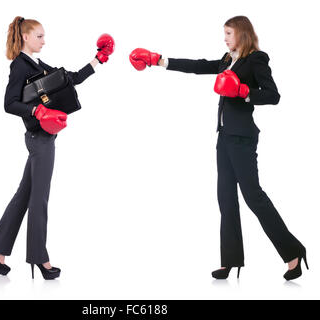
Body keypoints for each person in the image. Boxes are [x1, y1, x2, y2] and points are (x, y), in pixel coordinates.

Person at [129, 15, 308, 281]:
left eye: (228, 33)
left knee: (253, 197)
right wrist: (160, 60)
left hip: (243, 138)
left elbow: (273, 95)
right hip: (224, 137)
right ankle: (230, 261)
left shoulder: (256, 59)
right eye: (224, 34)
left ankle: (293, 252)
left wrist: (244, 90)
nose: (224, 38)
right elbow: (200, 66)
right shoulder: (228, 59)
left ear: (242, 34)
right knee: (225, 199)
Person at [0, 16, 114, 280]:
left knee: (24, 196)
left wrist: (97, 59)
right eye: (40, 36)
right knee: (39, 200)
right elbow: (9, 104)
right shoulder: (20, 66)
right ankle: (40, 259)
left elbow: (70, 80)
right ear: (26, 37)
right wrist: (37, 110)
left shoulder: (38, 65)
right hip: (38, 140)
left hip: (43, 138)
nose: (44, 40)